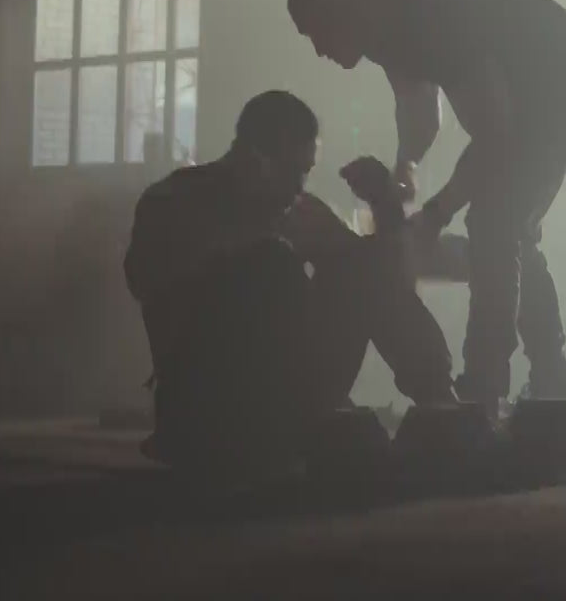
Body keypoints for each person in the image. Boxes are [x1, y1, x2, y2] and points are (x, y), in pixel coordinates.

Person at [288, 0, 566, 416]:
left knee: (494, 222)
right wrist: (404, 168)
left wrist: (437, 213)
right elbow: (421, 111)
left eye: (315, 32)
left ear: (339, 9)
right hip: (549, 87)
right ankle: (548, 382)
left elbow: (495, 135)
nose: (319, 50)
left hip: (561, 90)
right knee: (509, 226)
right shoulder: (384, 22)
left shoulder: (422, 18)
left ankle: (485, 387)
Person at [124, 90, 454, 485]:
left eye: (306, 172)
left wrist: (386, 210)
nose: (300, 186)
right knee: (272, 263)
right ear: (253, 159)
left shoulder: (294, 210)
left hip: (287, 398)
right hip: (202, 402)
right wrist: (250, 246)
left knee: (357, 265)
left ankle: (439, 402)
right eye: (294, 171)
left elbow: (380, 283)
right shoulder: (174, 199)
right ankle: (284, 430)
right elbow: (143, 279)